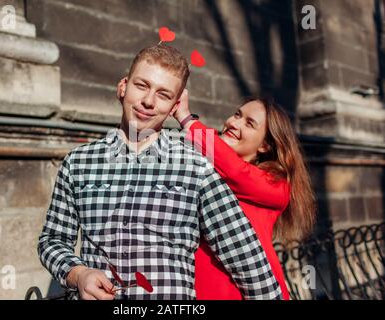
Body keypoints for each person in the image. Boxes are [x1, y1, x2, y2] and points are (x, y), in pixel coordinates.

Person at [38, 44, 283, 300]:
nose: (148, 101)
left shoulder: (195, 168)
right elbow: (52, 240)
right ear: (123, 87)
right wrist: (78, 274)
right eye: (141, 86)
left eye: (163, 94)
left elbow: (247, 259)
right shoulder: (78, 163)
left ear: (175, 105)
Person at [172, 89, 316, 300]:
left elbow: (237, 172)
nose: (233, 123)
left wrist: (186, 118)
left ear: (266, 145)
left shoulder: (276, 186)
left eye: (249, 123)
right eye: (237, 114)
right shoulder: (206, 165)